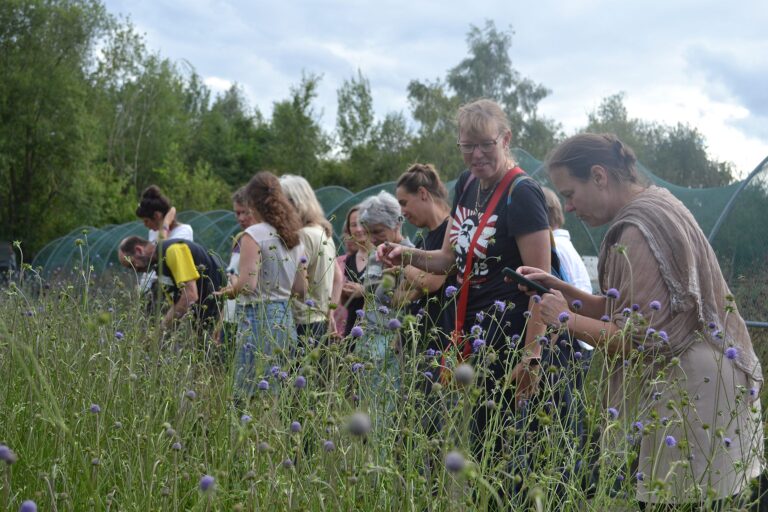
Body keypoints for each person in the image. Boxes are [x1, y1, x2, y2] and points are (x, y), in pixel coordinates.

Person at [520, 133, 763, 509]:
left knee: (679, 503)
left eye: (570, 193)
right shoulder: (657, 204)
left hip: (690, 387)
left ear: (599, 176)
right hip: (703, 376)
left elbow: (640, 338)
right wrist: (562, 289)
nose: (567, 207)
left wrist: (564, 319)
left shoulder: (637, 230)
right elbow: (623, 307)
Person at [378, 100, 577, 493]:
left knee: (521, 457)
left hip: (517, 337)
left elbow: (543, 285)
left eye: (485, 144)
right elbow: (448, 260)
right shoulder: (466, 185)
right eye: (466, 146)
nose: (476, 155)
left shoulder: (523, 194)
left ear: (505, 139)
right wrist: (407, 254)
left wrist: (532, 355)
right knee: (486, 452)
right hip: (477, 337)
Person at [215, 172, 307, 398]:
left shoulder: (253, 234)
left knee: (244, 395)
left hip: (257, 318)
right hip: (285, 321)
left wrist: (229, 290)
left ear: (252, 202)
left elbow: (248, 285)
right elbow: (301, 290)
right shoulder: (293, 237)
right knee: (273, 394)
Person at [393, 163, 453, 352]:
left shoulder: (449, 234)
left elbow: (429, 282)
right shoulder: (424, 240)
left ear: (422, 193)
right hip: (413, 345)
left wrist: (404, 265)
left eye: (404, 203)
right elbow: (399, 296)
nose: (402, 212)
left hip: (437, 348)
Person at [117, 236, 224, 334]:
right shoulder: (158, 265)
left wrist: (159, 333)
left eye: (132, 264)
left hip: (221, 314)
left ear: (138, 250)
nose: (136, 270)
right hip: (203, 320)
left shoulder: (173, 250)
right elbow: (176, 303)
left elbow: (190, 295)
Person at [279, 174, 341, 343]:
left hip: (300, 324)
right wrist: (329, 312)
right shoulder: (324, 232)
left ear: (295, 203)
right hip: (321, 321)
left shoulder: (301, 236)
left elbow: (300, 288)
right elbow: (338, 278)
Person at [135, 185, 193, 299]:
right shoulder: (154, 232)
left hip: (174, 289)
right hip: (154, 289)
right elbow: (152, 261)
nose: (145, 225)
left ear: (157, 215)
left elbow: (163, 253)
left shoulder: (184, 231)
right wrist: (143, 288)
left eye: (146, 220)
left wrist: (165, 224)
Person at [219, 187, 258, 355]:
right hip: (230, 316)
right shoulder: (238, 239)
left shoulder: (262, 239)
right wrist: (221, 321)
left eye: (246, 212)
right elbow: (231, 279)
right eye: (237, 213)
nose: (241, 218)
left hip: (248, 317)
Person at [340, 206, 372, 338]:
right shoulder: (349, 259)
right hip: (351, 329)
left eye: (362, 223)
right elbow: (346, 304)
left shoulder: (381, 255)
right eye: (353, 225)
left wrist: (364, 291)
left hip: (372, 331)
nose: (358, 229)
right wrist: (343, 291)